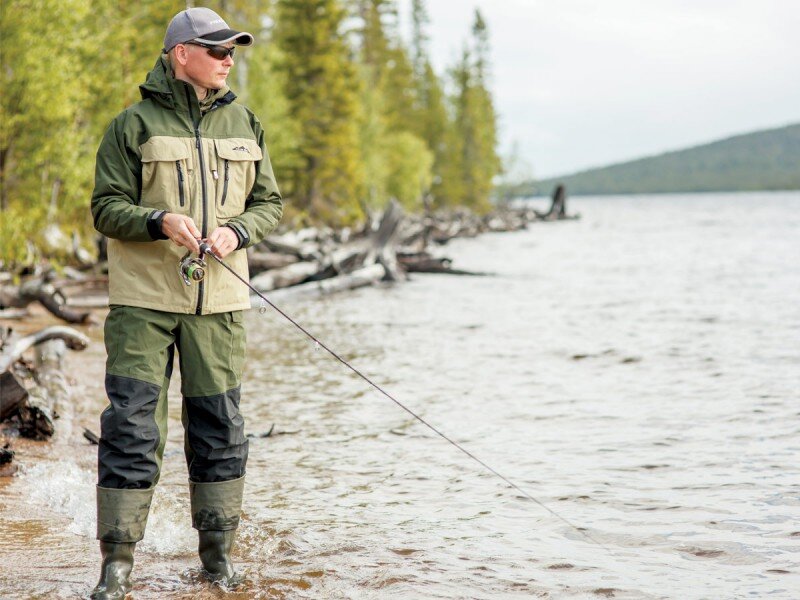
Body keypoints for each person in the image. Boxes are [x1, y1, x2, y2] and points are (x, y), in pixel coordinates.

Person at [89, 7, 282, 598]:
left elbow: (269, 203)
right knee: (130, 427)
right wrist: (158, 220)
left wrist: (237, 232)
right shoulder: (131, 124)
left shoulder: (246, 122)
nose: (228, 59)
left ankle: (218, 560)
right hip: (142, 302)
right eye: (217, 49)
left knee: (220, 427)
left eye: (231, 52)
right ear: (181, 54)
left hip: (221, 303)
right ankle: (116, 567)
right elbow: (104, 208)